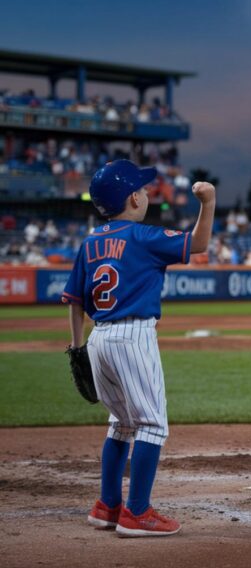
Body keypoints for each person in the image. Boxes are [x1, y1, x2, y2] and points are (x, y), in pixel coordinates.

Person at [61, 159, 215, 536]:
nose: (147, 194)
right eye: (143, 190)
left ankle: (107, 505)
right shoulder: (142, 236)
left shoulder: (91, 242)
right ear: (132, 198)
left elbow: (76, 301)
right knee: (151, 425)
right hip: (133, 336)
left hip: (98, 340)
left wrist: (77, 347)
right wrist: (208, 204)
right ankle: (137, 512)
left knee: (121, 424)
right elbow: (198, 243)